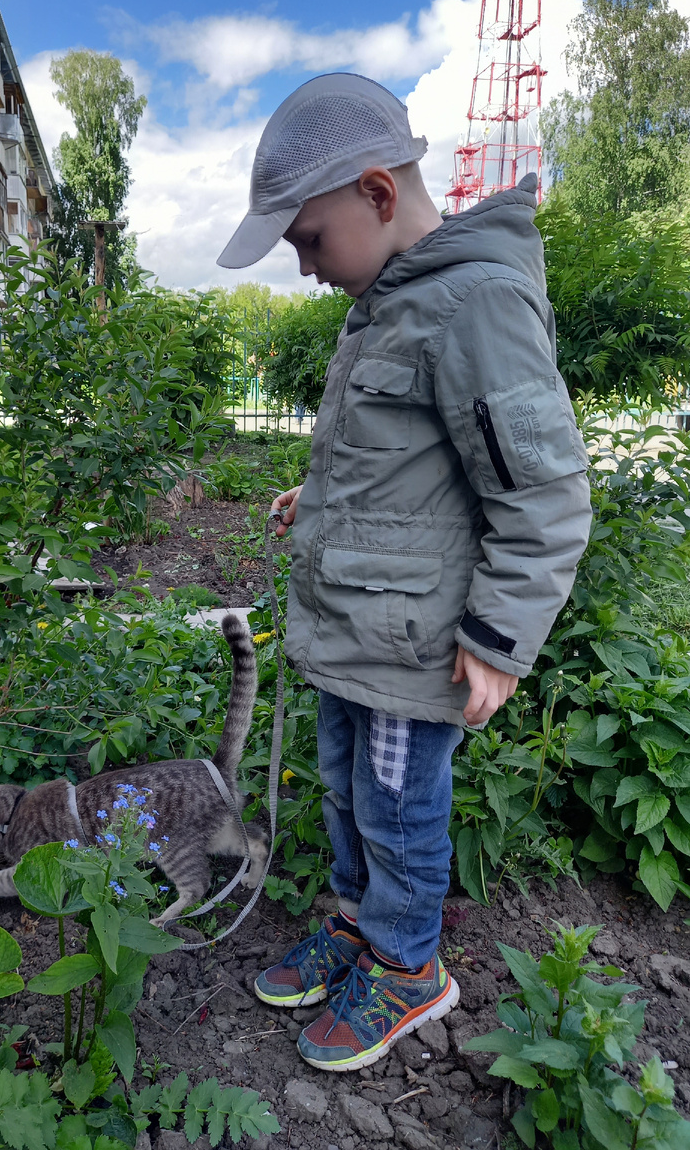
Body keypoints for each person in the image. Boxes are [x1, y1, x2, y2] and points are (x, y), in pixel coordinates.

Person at [217, 73, 592, 1072]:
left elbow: (540, 491)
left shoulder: (474, 303)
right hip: (356, 631)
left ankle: (408, 962)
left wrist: (500, 639)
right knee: (344, 789)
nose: (302, 268)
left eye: (306, 239)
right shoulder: (383, 305)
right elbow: (397, 458)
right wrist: (318, 502)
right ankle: (358, 918)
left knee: (397, 801)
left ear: (379, 195)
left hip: (417, 640)